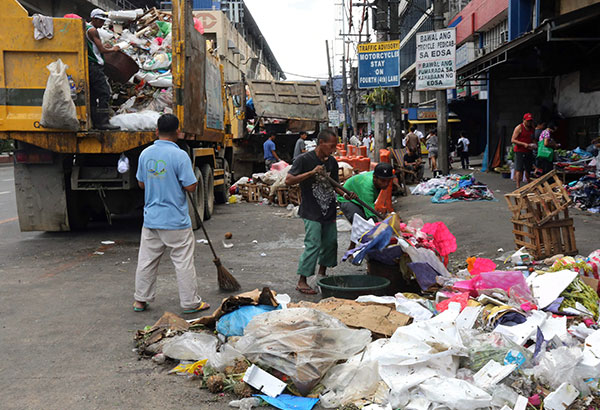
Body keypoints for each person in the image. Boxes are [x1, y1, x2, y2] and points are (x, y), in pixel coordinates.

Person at [133, 114, 209, 314]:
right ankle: (190, 303)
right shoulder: (180, 156)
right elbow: (191, 187)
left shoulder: (145, 154)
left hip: (151, 219)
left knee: (146, 261)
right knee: (183, 261)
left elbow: (141, 183)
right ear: (177, 133)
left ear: (156, 132)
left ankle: (140, 300)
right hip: (175, 220)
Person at [285, 129, 349, 294]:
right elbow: (289, 180)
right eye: (331, 146)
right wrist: (311, 173)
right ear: (321, 143)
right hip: (311, 210)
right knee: (313, 244)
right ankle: (302, 280)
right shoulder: (304, 160)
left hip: (329, 210)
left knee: (330, 243)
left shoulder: (332, 162)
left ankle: (322, 275)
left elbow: (335, 185)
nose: (333, 149)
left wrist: (346, 194)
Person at [86, 9, 121, 130]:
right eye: (101, 21)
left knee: (93, 95)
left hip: (89, 66)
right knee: (104, 93)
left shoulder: (86, 28)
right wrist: (114, 49)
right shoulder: (92, 30)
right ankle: (103, 122)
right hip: (94, 66)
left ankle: (95, 122)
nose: (102, 24)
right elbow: (101, 50)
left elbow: (95, 47)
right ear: (94, 19)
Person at [511, 113, 537, 188]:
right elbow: (513, 140)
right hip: (520, 150)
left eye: (530, 121)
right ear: (524, 120)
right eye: (527, 121)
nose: (529, 123)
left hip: (529, 150)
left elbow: (533, 138)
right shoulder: (519, 127)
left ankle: (529, 183)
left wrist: (535, 145)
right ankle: (518, 185)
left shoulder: (532, 129)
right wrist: (523, 144)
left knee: (528, 168)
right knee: (519, 168)